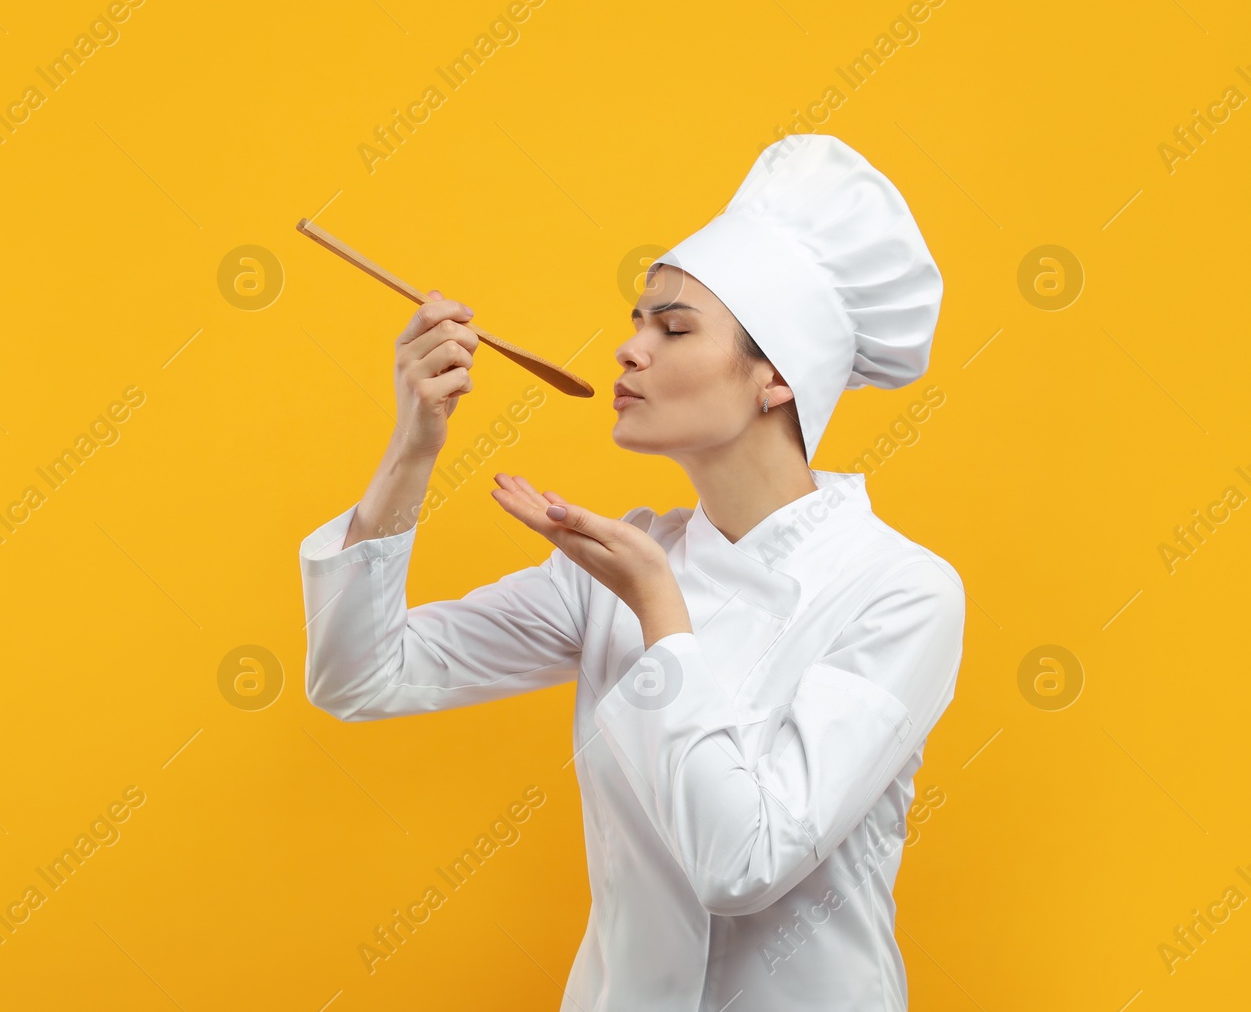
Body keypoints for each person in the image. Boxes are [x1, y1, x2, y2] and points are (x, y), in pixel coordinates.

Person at [297, 133, 966, 1011]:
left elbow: (746, 860)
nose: (629, 349)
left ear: (775, 378)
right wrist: (414, 448)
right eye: (637, 319)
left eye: (673, 326)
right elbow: (359, 675)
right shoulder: (610, 569)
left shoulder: (900, 590)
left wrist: (660, 608)